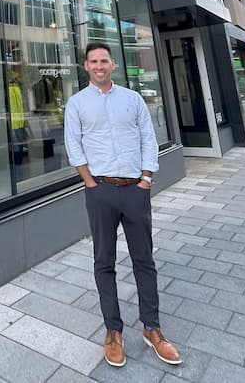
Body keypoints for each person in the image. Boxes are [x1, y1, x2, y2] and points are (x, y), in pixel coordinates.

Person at [64, 41, 182, 369]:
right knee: (104, 262)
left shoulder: (132, 99)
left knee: (144, 260)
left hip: (134, 190)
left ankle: (152, 328)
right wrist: (90, 184)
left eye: (104, 60)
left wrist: (146, 179)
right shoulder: (76, 104)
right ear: (85, 67)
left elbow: (148, 137)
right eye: (93, 61)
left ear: (112, 64)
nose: (99, 66)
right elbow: (74, 146)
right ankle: (113, 331)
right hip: (100, 190)